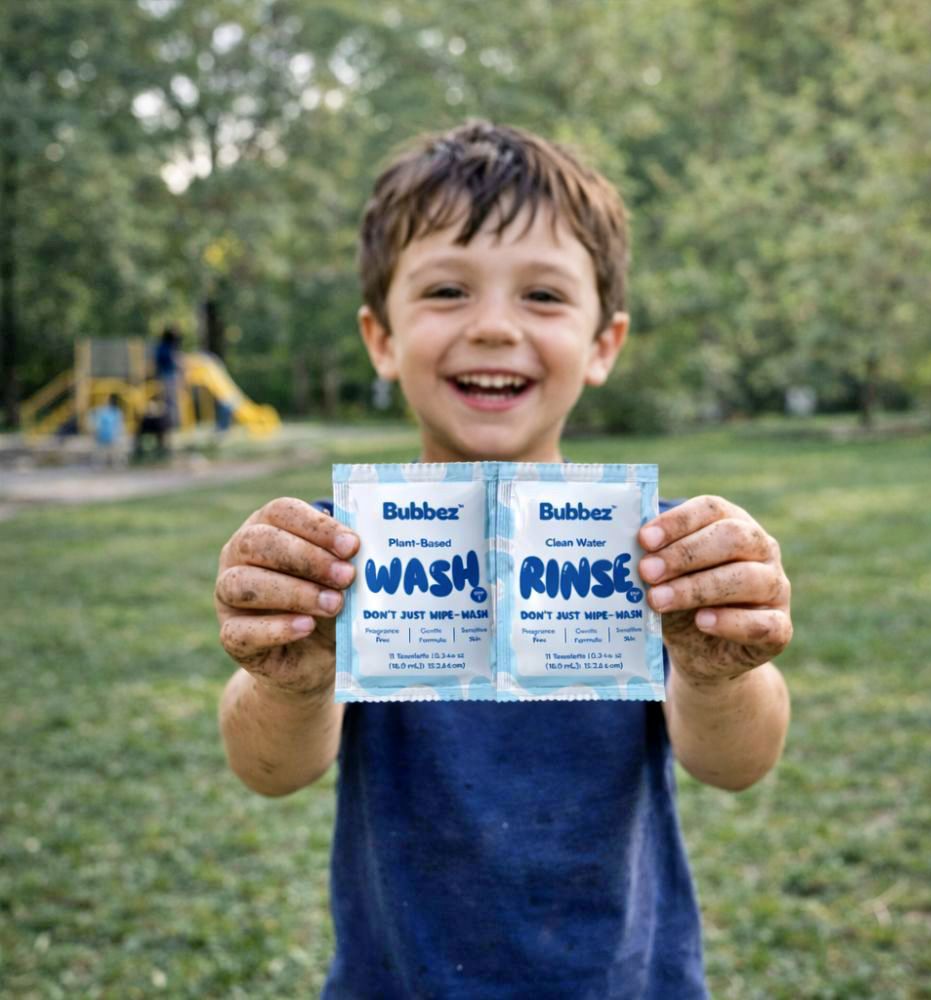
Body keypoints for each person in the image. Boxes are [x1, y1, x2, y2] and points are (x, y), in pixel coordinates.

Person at [215, 121, 792, 998]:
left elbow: (737, 763)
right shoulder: (340, 553)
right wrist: (289, 681)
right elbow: (270, 770)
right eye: (447, 289)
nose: (492, 328)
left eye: (544, 297)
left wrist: (718, 671)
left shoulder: (659, 553)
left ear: (605, 343)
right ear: (381, 337)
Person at [154, 326, 183, 433]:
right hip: (168, 376)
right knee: (171, 402)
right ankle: (172, 424)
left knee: (170, 401)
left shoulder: (166, 347)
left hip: (168, 376)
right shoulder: (167, 348)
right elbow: (173, 362)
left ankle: (171, 424)